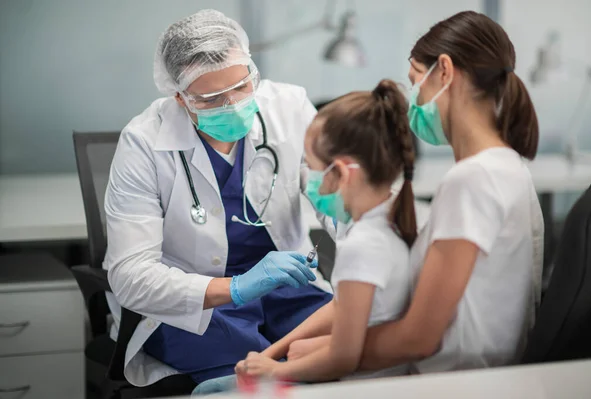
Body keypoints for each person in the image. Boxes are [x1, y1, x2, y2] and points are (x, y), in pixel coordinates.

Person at [249, 10, 545, 378]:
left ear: (446, 72)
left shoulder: (472, 180)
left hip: (456, 381)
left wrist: (326, 352)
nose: (414, 102)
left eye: (416, 81)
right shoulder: (508, 166)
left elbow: (419, 338)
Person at [103, 9, 333, 387]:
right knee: (250, 381)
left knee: (349, 353)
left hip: (287, 291)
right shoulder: (143, 142)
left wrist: (353, 224)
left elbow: (331, 187)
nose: (232, 104)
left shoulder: (290, 108)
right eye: (210, 98)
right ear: (180, 98)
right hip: (195, 305)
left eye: (242, 87)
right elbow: (130, 276)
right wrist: (238, 288)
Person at [228, 79, 418, 382]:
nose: (308, 177)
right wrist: (273, 352)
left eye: (311, 167)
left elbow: (343, 358)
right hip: (377, 377)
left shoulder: (362, 246)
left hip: (364, 387)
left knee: (210, 392)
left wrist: (274, 370)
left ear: (340, 172)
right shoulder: (391, 223)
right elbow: (341, 306)